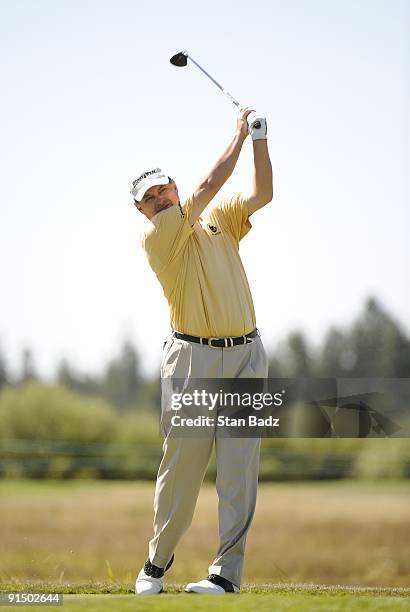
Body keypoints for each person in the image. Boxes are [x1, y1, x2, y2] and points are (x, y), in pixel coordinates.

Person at [131, 107, 273, 595]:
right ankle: (155, 565)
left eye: (162, 188)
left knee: (238, 470)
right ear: (143, 210)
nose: (159, 198)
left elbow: (261, 194)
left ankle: (226, 575)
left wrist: (259, 140)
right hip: (192, 360)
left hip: (246, 356)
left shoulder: (217, 222)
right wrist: (236, 136)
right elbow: (210, 183)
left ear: (172, 185)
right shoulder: (159, 236)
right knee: (184, 465)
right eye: (149, 198)